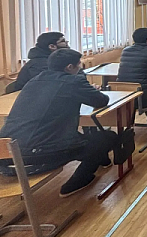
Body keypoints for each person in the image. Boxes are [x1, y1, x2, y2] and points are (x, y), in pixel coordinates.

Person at [0, 49, 117, 197]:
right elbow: (101, 100)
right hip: (38, 156)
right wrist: (89, 90)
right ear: (69, 67)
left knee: (81, 139)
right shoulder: (73, 81)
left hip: (7, 155)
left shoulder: (34, 81)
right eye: (78, 65)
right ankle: (77, 182)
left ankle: (101, 160)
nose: (80, 68)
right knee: (107, 137)